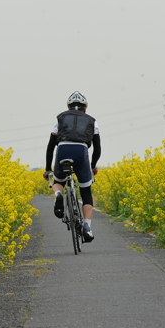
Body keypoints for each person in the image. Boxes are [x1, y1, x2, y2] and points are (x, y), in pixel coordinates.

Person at [43, 91, 101, 242]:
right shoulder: (92, 121)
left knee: (58, 181)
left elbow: (50, 146)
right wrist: (93, 167)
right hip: (81, 150)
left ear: (68, 107)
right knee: (86, 191)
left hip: (62, 149)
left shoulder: (60, 118)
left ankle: (58, 196)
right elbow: (97, 148)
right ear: (85, 109)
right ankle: (87, 227)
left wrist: (48, 169)